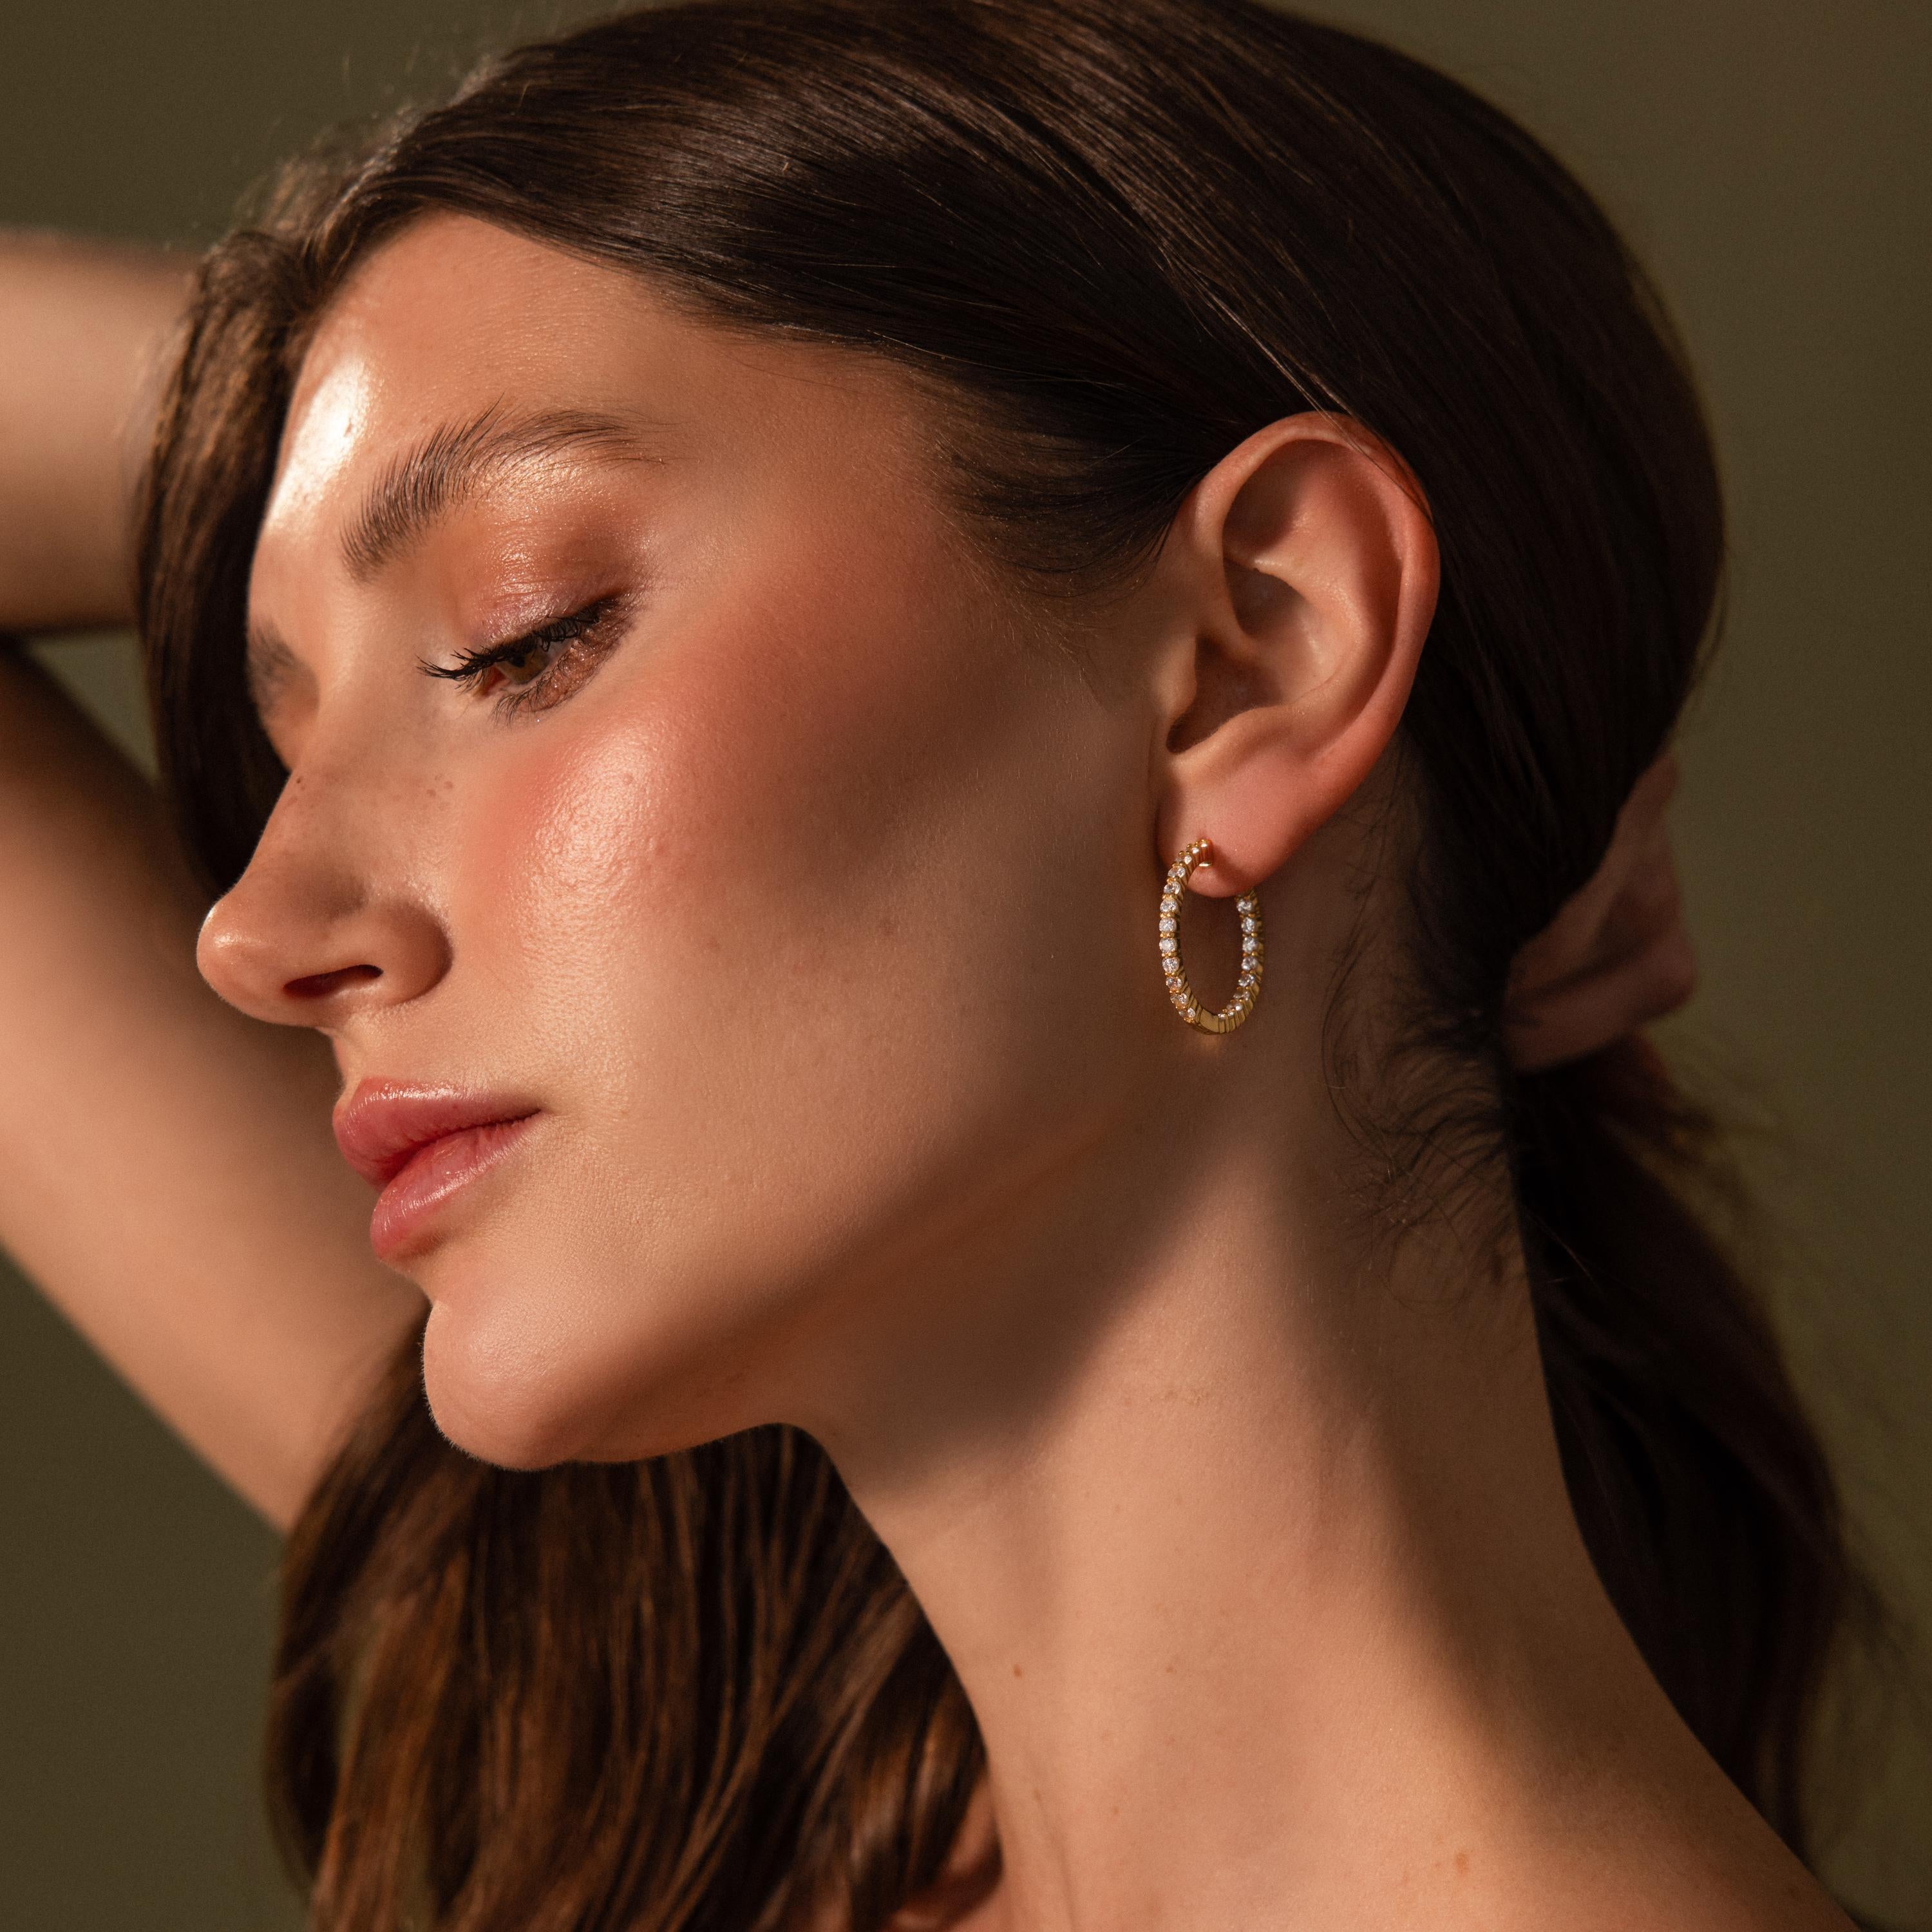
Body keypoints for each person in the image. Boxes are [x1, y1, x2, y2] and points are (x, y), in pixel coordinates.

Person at [0, 1, 1889, 1926]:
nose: (257, 931)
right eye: (295, 736)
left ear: (1258, 645)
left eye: (520, 635)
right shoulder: (684, 1787)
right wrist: (339, 408)